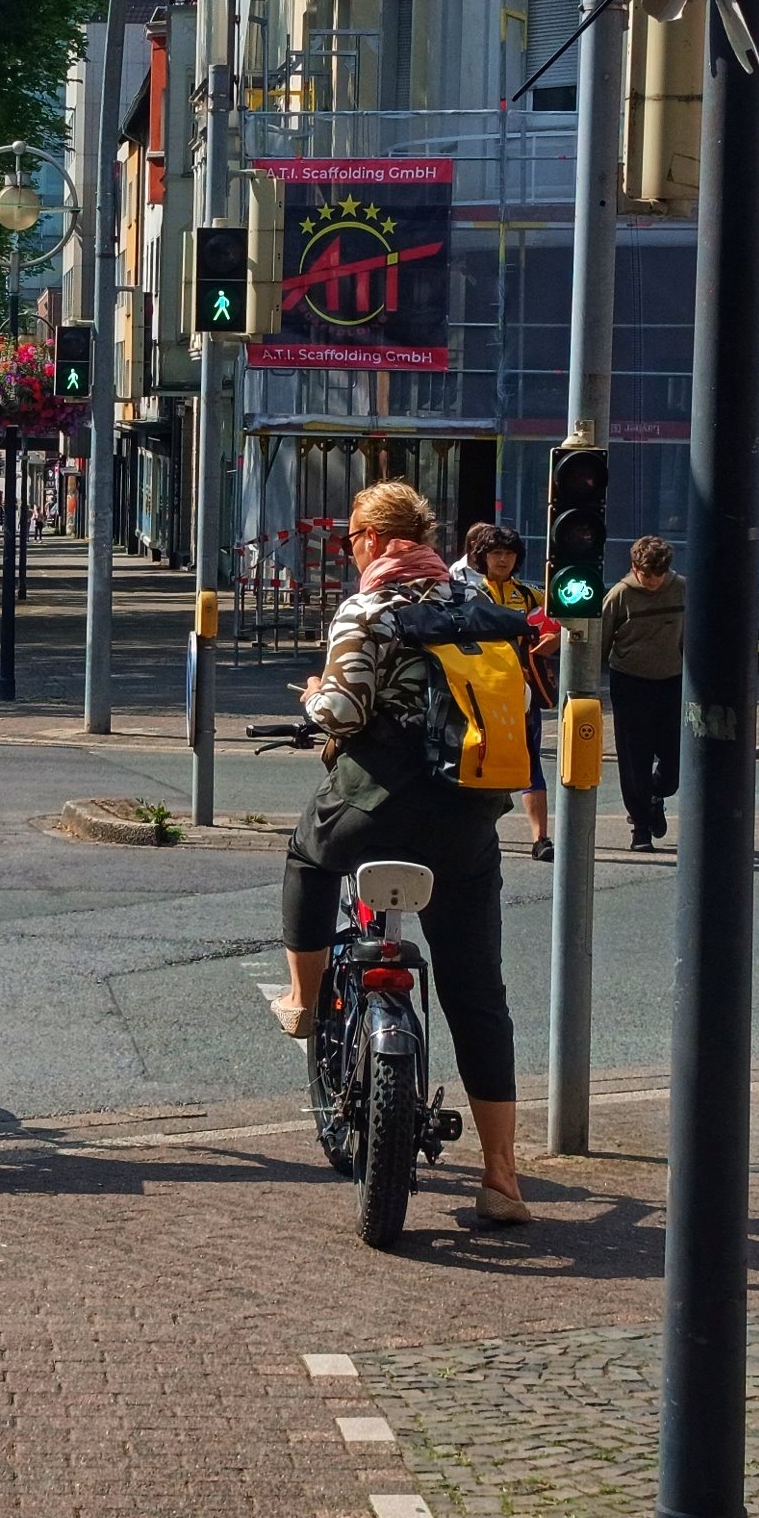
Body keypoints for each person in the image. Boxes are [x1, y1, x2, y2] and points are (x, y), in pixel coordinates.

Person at [290, 480, 525, 1231]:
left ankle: (302, 999)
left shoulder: (370, 607)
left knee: (306, 855)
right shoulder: (478, 608)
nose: (350, 545)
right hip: (467, 817)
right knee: (476, 993)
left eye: (354, 533)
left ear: (374, 537)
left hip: (377, 807)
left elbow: (346, 710)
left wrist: (311, 700)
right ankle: (501, 1176)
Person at [461, 519, 560, 860]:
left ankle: (541, 838)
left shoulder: (530, 593)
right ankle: (475, 833)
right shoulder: (468, 591)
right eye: (496, 553)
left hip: (523, 693)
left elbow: (574, 620)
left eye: (509, 553)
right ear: (482, 556)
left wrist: (557, 637)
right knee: (478, 759)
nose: (502, 560)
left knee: (531, 761)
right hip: (479, 692)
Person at [604, 533, 686, 854]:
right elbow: (601, 642)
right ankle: (640, 826)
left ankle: (655, 793)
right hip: (630, 681)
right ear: (634, 568)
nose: (652, 581)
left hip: (672, 680)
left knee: (675, 758)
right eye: (646, 574)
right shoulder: (620, 595)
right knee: (634, 756)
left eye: (659, 574)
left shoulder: (681, 589)